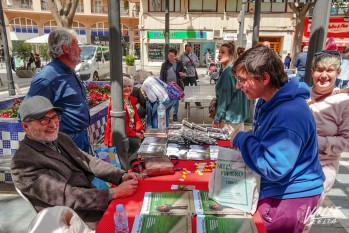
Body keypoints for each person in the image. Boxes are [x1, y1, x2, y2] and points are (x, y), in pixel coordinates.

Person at [230, 45, 325, 233]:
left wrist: (242, 139)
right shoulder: (267, 101)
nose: (238, 86)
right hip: (280, 191)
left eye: (242, 80)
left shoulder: (288, 113)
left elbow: (274, 167)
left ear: (264, 78)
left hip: (290, 198)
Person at [11, 96, 141, 230]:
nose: (53, 124)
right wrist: (114, 193)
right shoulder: (23, 163)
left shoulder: (61, 138)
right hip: (75, 221)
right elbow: (67, 196)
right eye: (44, 120)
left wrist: (121, 176)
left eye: (55, 117)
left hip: (94, 204)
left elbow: (90, 162)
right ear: (25, 126)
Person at [25, 28, 91, 153]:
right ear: (66, 49)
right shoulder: (48, 77)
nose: (80, 49)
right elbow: (26, 113)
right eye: (76, 45)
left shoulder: (68, 71)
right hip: (65, 141)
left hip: (79, 137)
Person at [309, 51, 349, 198]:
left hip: (323, 166)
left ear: (338, 73)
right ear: (312, 72)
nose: (324, 75)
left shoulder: (343, 102)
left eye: (329, 70)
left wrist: (317, 142)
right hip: (294, 162)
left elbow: (347, 141)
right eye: (319, 70)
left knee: (306, 211)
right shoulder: (301, 95)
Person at [104, 76, 145, 170]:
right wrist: (135, 134)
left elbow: (136, 117)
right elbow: (120, 124)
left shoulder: (130, 100)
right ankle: (124, 167)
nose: (127, 88)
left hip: (129, 132)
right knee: (135, 143)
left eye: (129, 86)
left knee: (139, 142)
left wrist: (140, 129)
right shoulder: (115, 102)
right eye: (124, 86)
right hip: (118, 135)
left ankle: (127, 166)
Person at [212, 41, 249, 135]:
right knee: (235, 147)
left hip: (229, 119)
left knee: (227, 147)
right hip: (239, 118)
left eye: (223, 52)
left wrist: (217, 119)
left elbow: (224, 100)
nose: (219, 55)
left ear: (231, 55)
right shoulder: (236, 70)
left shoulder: (228, 73)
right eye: (219, 52)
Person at [160, 48, 185, 122]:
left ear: (175, 56)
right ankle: (167, 113)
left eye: (172, 56)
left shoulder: (179, 63)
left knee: (175, 101)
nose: (170, 57)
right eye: (169, 55)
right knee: (167, 100)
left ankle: (175, 114)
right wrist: (161, 85)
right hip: (166, 86)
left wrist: (183, 74)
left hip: (176, 86)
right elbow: (161, 75)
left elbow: (183, 73)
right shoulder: (164, 64)